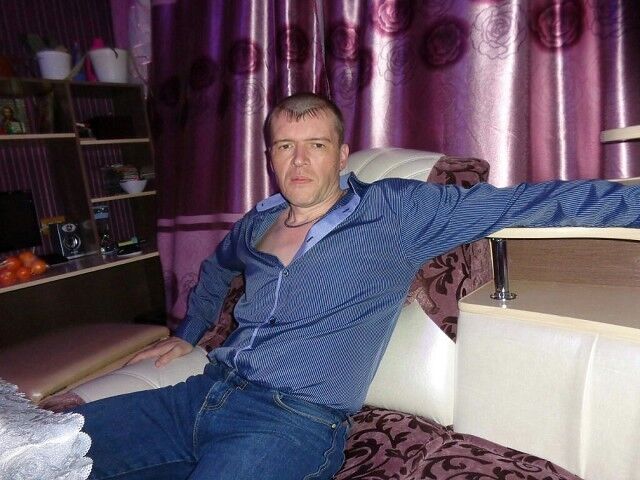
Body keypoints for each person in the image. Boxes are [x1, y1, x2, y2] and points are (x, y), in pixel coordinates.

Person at [75, 92, 640, 479]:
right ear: (270, 156)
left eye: (316, 145)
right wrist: (188, 334)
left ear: (342, 155)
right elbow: (217, 270)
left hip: (288, 422)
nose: (299, 161)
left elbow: (522, 204)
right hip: (197, 395)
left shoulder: (394, 210)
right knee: (51, 448)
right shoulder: (256, 221)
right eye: (285, 146)